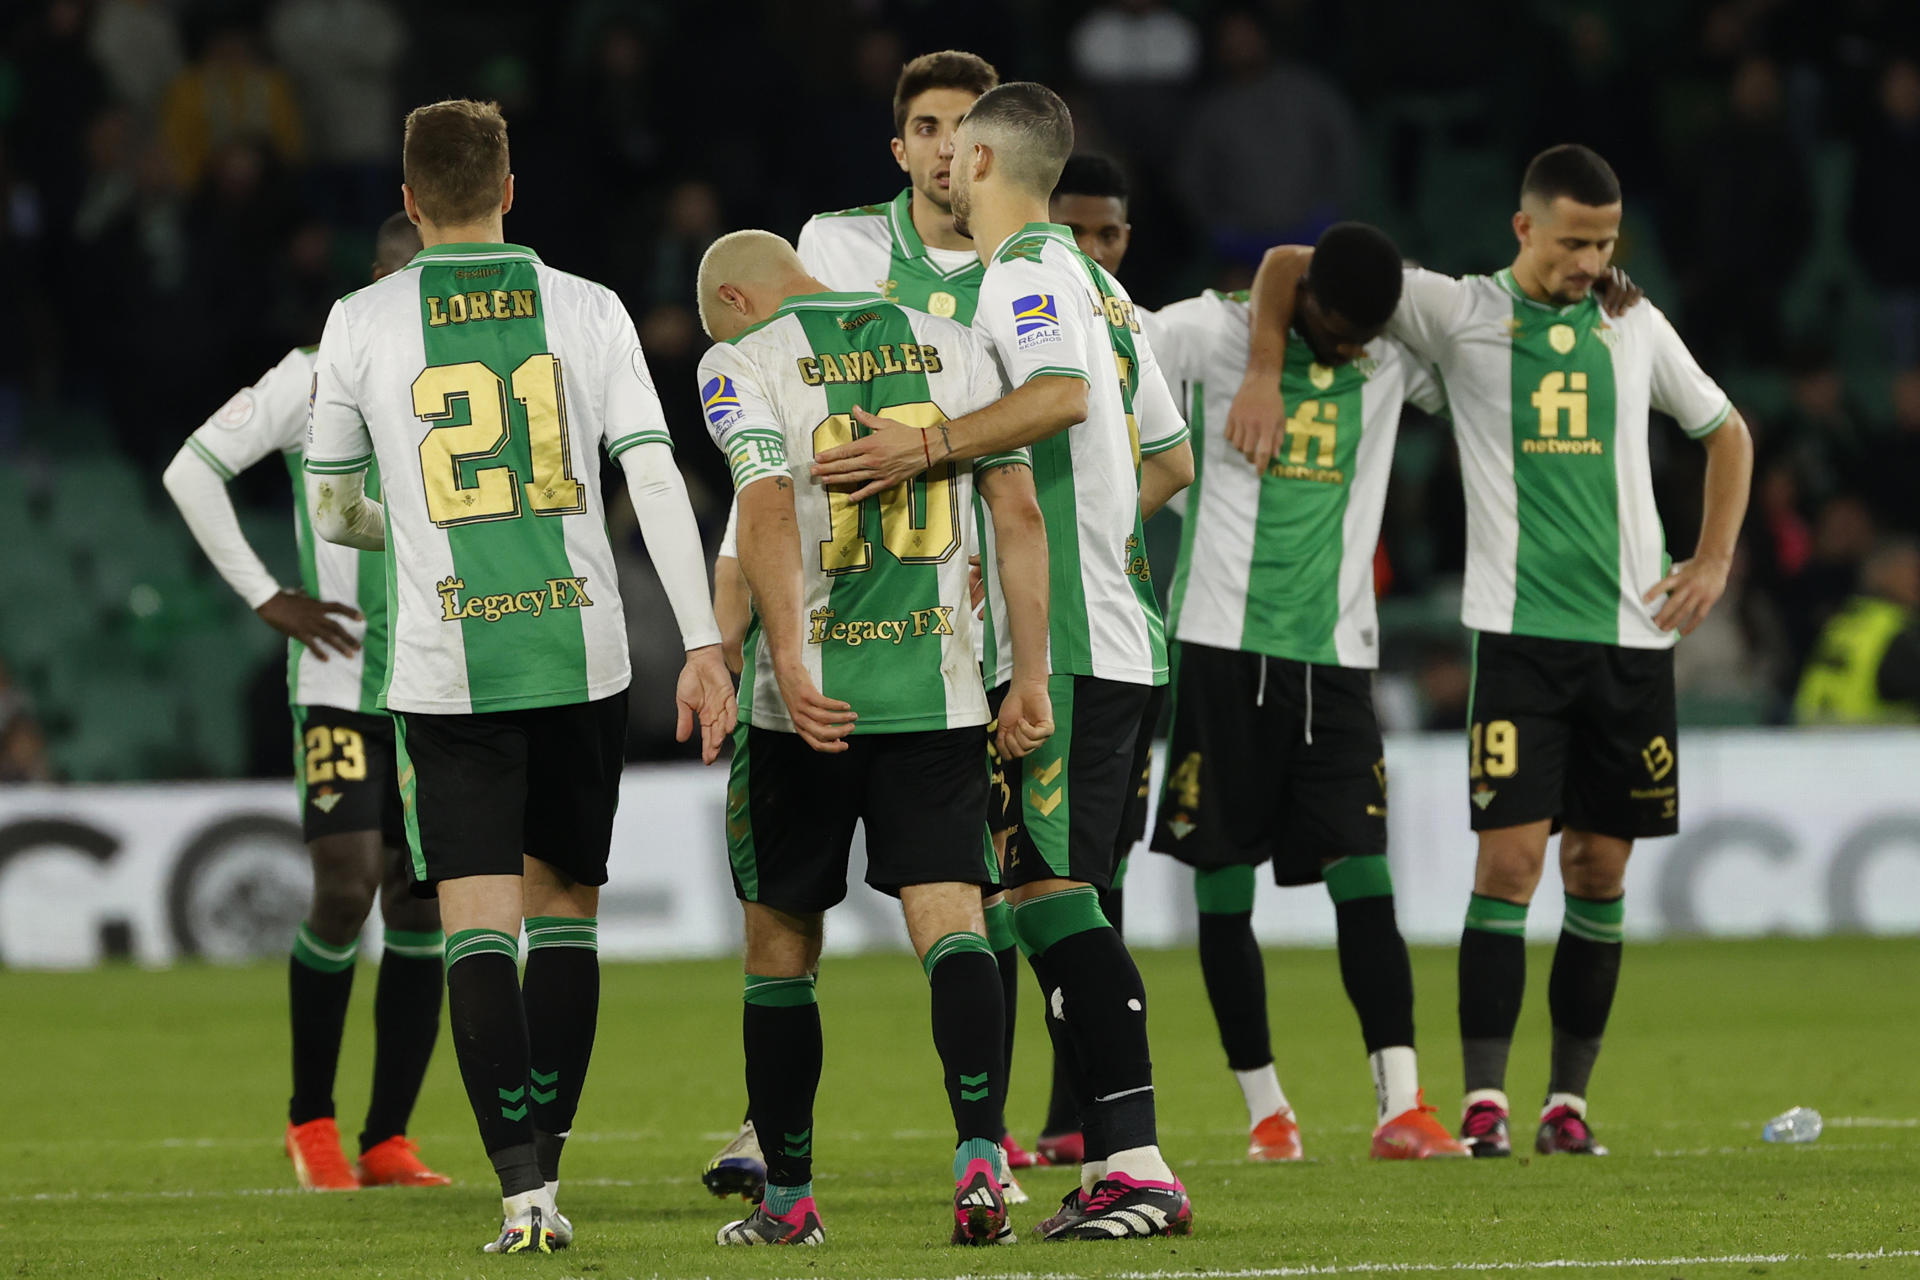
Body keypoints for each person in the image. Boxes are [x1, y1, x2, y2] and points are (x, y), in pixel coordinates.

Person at [1226, 144, 1753, 1158]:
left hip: (1632, 641)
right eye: (1571, 243)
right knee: (1509, 863)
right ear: (1523, 230)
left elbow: (1725, 429)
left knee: (1598, 867)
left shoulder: (1633, 321)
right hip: (1519, 643)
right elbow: (1299, 259)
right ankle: (1483, 1098)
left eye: (1604, 243)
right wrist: (1260, 369)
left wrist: (1713, 558)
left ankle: (1569, 1101)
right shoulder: (1460, 311)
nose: (1589, 262)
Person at [303, 99, 736, 1253]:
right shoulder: (587, 307)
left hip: (446, 664)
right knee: (565, 914)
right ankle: (551, 1162)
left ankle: (521, 1198)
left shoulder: (359, 322)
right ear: (509, 189)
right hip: (581, 651)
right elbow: (654, 476)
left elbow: (335, 509)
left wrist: (416, 530)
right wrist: (701, 640)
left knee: (476, 924)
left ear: (406, 200)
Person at [813, 81, 1196, 1240]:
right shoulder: (1107, 286)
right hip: (1107, 625)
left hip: (1068, 638)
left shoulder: (1025, 269)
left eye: (951, 149)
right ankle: (1116, 1160)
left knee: (1047, 896)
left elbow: (1058, 399)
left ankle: (1134, 1160)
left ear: (978, 159)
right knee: (1045, 894)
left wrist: (925, 445)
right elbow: (1167, 461)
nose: (938, 167)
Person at [703, 48, 1055, 1200]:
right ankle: (981, 1157)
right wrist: (1026, 672)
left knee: (780, 950)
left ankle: (790, 1196)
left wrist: (787, 661)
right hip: (941, 686)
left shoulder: (742, 358)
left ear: (737, 301)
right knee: (953, 920)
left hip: (800, 702)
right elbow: (1017, 514)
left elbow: (761, 505)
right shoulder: (952, 345)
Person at [1147, 221, 1468, 1162]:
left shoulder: (1386, 358)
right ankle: (1266, 1113)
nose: (1350, 348)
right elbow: (1108, 353)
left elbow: (1449, 339)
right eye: (1333, 328)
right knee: (1222, 885)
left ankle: (1401, 1107)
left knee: (1364, 872)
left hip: (1336, 657)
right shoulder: (1213, 335)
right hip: (1220, 645)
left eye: (1365, 334)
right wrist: (1259, 365)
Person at [162, 211, 451, 1192]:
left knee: (423, 905)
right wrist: (267, 595)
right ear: (371, 281)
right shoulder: (310, 373)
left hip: (434, 681)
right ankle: (311, 1119)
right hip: (337, 682)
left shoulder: (457, 382)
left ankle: (388, 1137)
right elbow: (191, 468)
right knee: (344, 883)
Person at [1793, 540, 1920, 723]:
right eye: (1913, 570)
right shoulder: (1896, 635)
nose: (1916, 579)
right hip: (1867, 744)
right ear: (1881, 574)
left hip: (1810, 741)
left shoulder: (1844, 621)